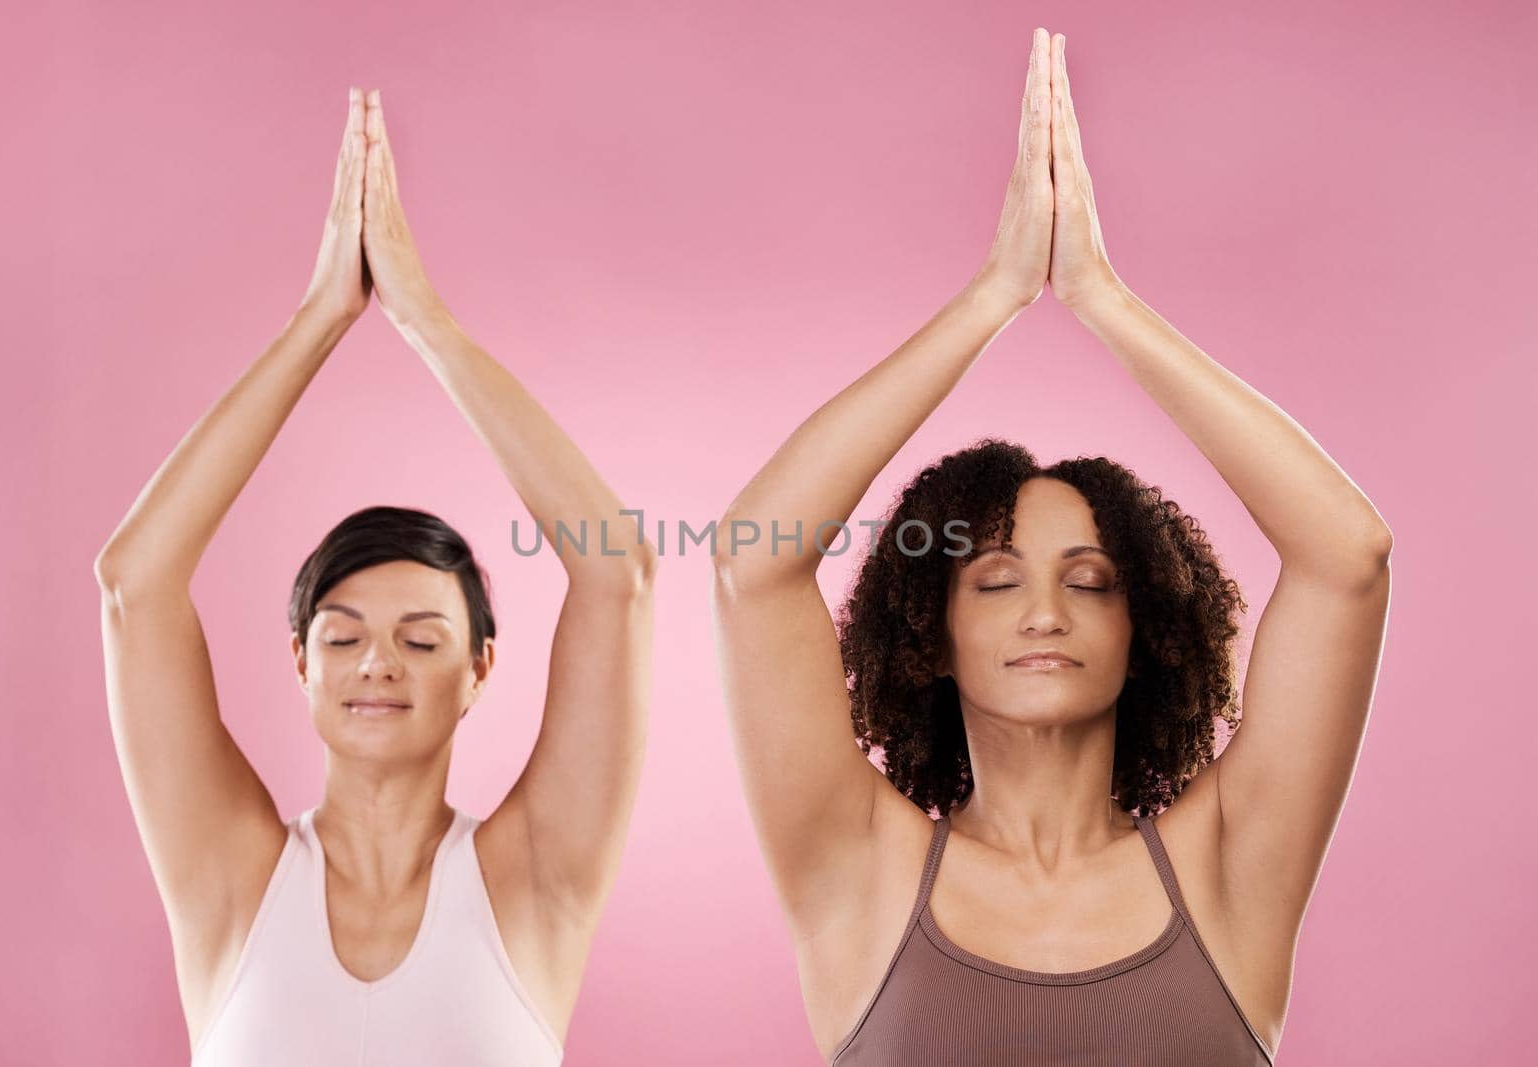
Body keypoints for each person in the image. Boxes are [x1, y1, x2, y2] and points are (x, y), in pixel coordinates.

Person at [710, 28, 1390, 1065]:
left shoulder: (1229, 865)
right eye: (994, 579)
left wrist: (1098, 299)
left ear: (1143, 630)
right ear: (930, 637)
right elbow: (751, 559)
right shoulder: (860, 866)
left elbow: (1348, 554)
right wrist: (993, 295)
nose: (1045, 611)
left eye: (1090, 581)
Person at [94, 87, 655, 1065]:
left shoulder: (532, 877)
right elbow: (133, 582)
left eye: (421, 638)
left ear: (482, 665)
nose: (376, 663)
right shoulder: (232, 878)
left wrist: (424, 320)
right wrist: (321, 316)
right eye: (343, 635)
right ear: (301, 664)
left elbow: (619, 572)